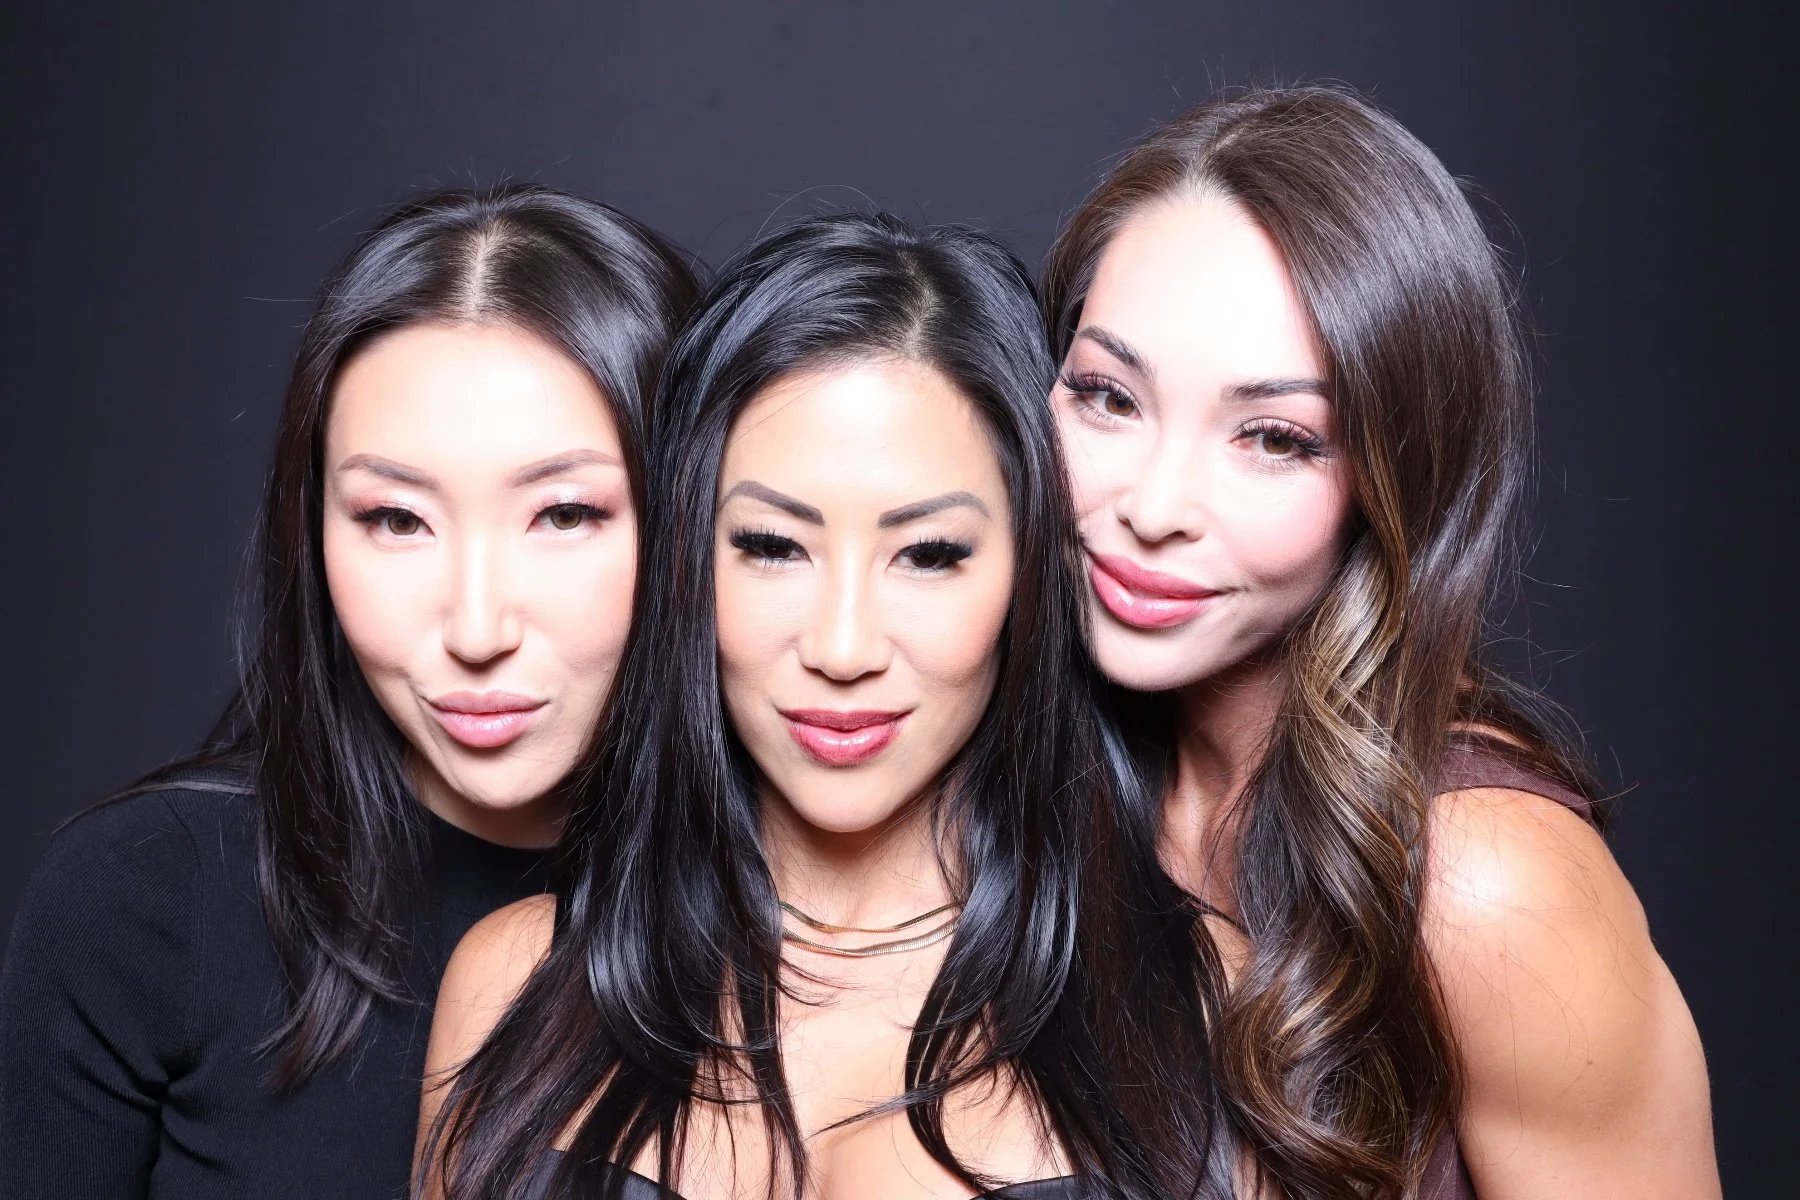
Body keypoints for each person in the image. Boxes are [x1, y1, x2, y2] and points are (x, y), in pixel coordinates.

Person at [416, 213, 1217, 1200]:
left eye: (929, 555)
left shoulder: (1200, 1009)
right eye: (772, 546)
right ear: (688, 564)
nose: (843, 648)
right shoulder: (513, 986)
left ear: (1032, 572)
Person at [1040, 85, 1720, 1198]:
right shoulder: (1016, 772)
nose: (1155, 504)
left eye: (1273, 437)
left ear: (1398, 475)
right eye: (1110, 396)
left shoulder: (1483, 884)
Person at [0, 184, 699, 1200]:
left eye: (563, 514)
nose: (475, 628)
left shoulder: (810, 932)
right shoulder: (149, 898)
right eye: (395, 519)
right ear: (311, 527)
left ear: (693, 514)